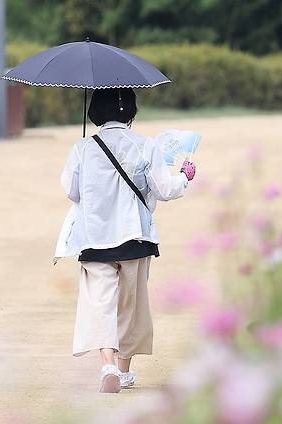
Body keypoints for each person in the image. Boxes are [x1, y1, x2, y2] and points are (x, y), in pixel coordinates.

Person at [55, 88, 196, 393]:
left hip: (95, 240)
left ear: (95, 111)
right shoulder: (146, 146)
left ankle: (107, 364)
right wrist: (185, 176)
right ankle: (123, 370)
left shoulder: (82, 147)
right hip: (135, 238)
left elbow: (72, 191)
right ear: (131, 111)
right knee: (130, 307)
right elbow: (163, 189)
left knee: (100, 303)